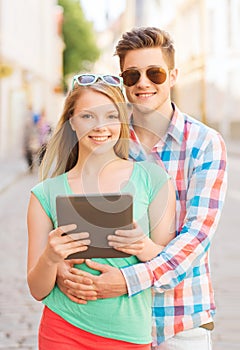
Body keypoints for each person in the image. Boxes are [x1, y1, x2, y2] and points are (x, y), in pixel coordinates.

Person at [56, 27, 228, 349]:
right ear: (123, 82)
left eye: (155, 73)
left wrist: (126, 280)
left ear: (173, 75)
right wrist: (61, 267)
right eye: (132, 75)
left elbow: (197, 236)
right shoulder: (107, 137)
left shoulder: (205, 143)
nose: (143, 83)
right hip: (110, 320)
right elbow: (75, 208)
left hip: (180, 320)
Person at [27, 73, 176, 350]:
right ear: (71, 121)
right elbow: (37, 290)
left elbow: (169, 268)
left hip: (128, 335)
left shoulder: (153, 180)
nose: (100, 127)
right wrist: (50, 258)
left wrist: (143, 246)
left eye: (110, 116)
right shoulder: (45, 194)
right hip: (62, 330)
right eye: (87, 117)